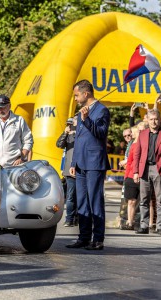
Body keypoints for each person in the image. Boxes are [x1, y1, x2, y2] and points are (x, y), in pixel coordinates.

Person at [66, 79, 110, 251]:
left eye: (77, 95)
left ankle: (98, 239)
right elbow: (78, 140)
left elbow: (100, 133)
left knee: (95, 201)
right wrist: (73, 162)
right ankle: (83, 237)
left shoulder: (102, 110)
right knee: (82, 202)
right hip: (80, 163)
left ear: (86, 93)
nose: (75, 98)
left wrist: (86, 119)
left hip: (94, 163)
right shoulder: (79, 113)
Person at [133, 109, 161, 236]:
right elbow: (137, 153)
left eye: (156, 119)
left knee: (160, 199)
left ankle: (160, 227)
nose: (154, 121)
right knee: (144, 199)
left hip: (158, 168)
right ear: (147, 120)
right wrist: (136, 171)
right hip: (144, 169)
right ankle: (144, 226)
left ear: (159, 120)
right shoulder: (142, 133)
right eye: (151, 119)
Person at [0, 95, 33, 167]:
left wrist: (22, 158)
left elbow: (28, 140)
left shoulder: (19, 120)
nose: (0, 111)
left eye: (2, 108)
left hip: (14, 166)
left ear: (9, 106)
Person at [56, 116, 78, 227]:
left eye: (72, 122)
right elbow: (59, 144)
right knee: (70, 196)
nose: (70, 125)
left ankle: (78, 218)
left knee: (82, 196)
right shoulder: (68, 136)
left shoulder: (83, 134)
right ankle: (69, 219)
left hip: (82, 170)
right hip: (69, 170)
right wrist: (65, 133)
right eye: (68, 123)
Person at [121, 126, 141, 230]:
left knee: (146, 201)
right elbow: (129, 162)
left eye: (131, 133)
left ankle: (148, 224)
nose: (130, 136)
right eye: (126, 135)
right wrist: (126, 176)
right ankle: (130, 222)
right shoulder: (132, 145)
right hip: (130, 175)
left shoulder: (143, 144)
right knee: (130, 201)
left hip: (141, 175)